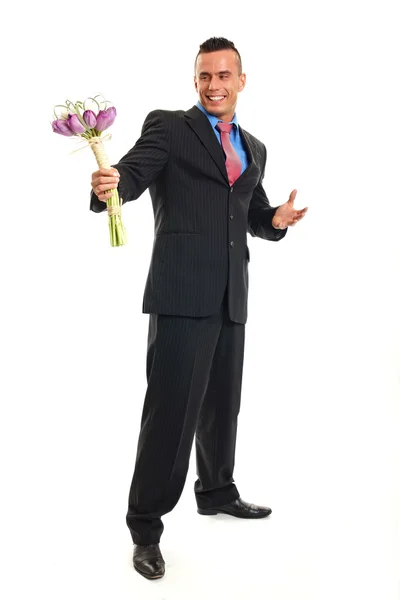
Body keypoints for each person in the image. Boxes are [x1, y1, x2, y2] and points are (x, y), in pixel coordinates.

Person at [90, 37, 308, 580]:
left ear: (241, 81)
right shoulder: (170, 126)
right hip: (181, 293)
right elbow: (132, 175)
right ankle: (145, 527)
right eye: (205, 76)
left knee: (220, 406)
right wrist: (109, 186)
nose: (214, 85)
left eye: (224, 75)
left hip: (233, 294)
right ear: (195, 81)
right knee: (171, 415)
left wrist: (274, 220)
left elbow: (251, 212)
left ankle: (216, 491)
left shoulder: (254, 147)